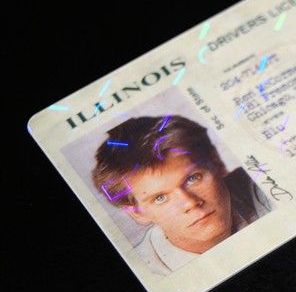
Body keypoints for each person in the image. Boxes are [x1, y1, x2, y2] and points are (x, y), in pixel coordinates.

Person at [92, 115, 271, 276]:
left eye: (193, 178)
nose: (190, 203)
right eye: (160, 198)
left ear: (217, 163)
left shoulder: (263, 183)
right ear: (137, 213)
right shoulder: (145, 275)